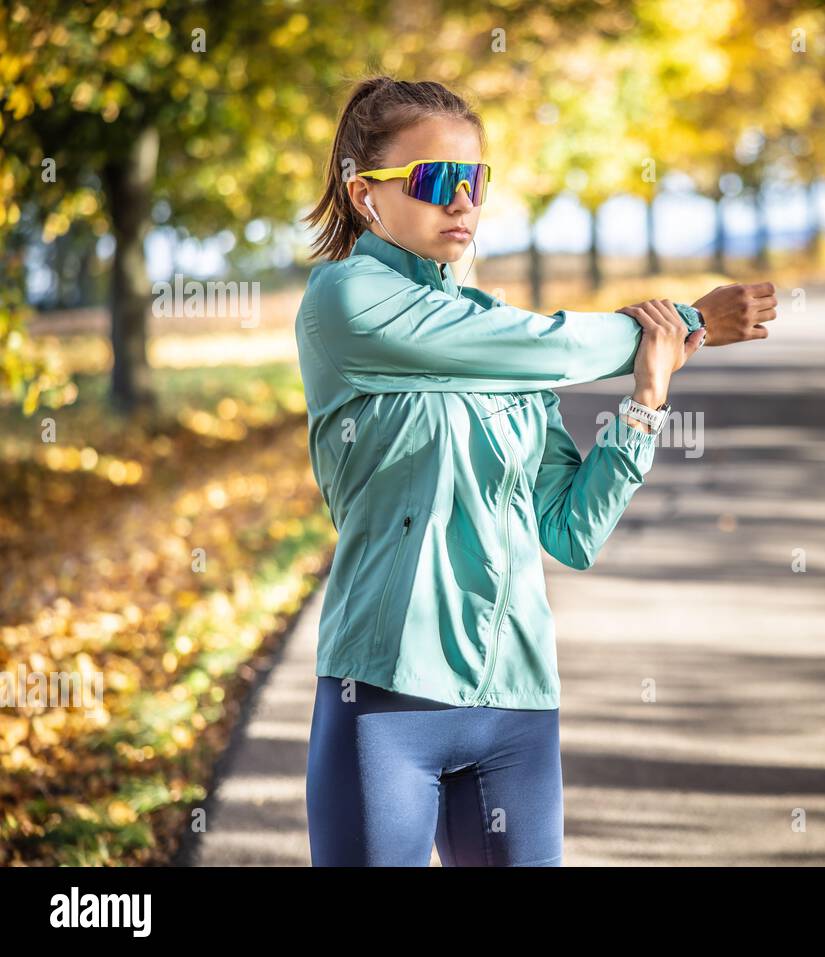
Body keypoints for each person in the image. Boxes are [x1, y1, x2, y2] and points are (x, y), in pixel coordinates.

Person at [295, 75, 776, 866]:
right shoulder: (346, 304)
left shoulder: (503, 335)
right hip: (383, 698)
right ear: (364, 195)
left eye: (475, 181)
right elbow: (550, 346)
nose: (463, 204)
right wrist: (689, 321)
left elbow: (571, 531)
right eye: (437, 180)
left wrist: (648, 398)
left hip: (518, 704)